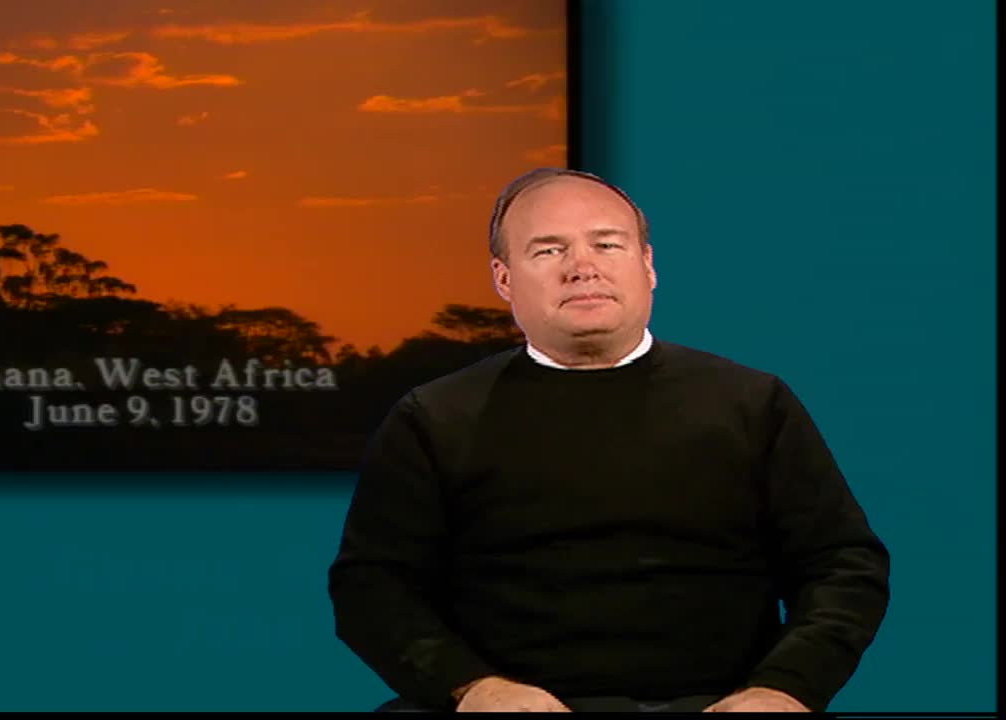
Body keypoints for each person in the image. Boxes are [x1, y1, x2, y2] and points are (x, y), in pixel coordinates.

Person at [327, 168, 890, 713]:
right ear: (503, 278)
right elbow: (372, 586)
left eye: (607, 245)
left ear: (647, 265)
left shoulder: (754, 403)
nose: (582, 268)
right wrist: (472, 688)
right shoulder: (435, 416)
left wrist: (785, 689)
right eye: (549, 250)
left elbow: (843, 565)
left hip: (722, 702)